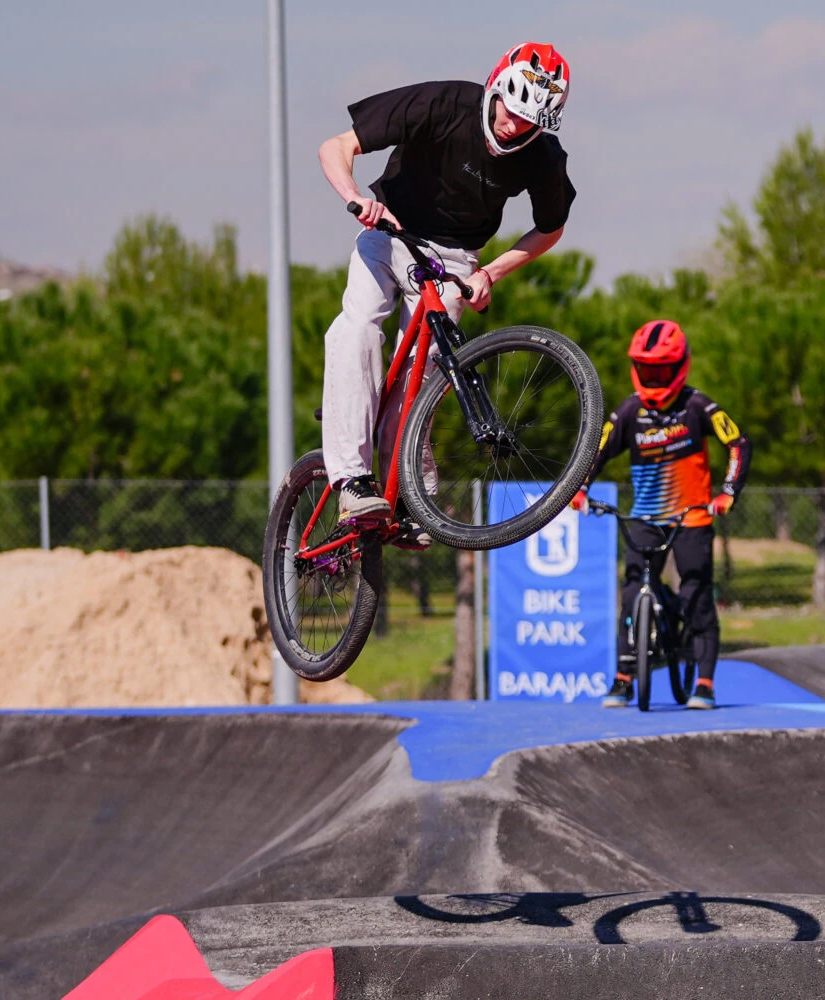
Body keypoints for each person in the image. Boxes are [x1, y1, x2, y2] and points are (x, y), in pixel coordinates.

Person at [317, 43, 576, 546]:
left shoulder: (542, 156)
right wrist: (357, 199)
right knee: (360, 324)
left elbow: (551, 228)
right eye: (510, 111)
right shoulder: (443, 103)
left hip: (453, 260)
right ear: (497, 87)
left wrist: (493, 273)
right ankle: (351, 479)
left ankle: (409, 494)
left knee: (429, 370)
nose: (514, 127)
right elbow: (336, 146)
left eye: (529, 122)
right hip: (389, 230)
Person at [572, 320, 752, 709]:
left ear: (680, 366)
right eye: (647, 368)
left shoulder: (699, 406)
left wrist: (727, 493)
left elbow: (738, 443)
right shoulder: (630, 412)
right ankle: (623, 679)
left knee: (697, 595)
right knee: (631, 592)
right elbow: (597, 451)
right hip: (645, 517)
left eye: (662, 369)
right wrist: (580, 488)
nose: (654, 377)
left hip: (693, 517)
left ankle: (703, 683)